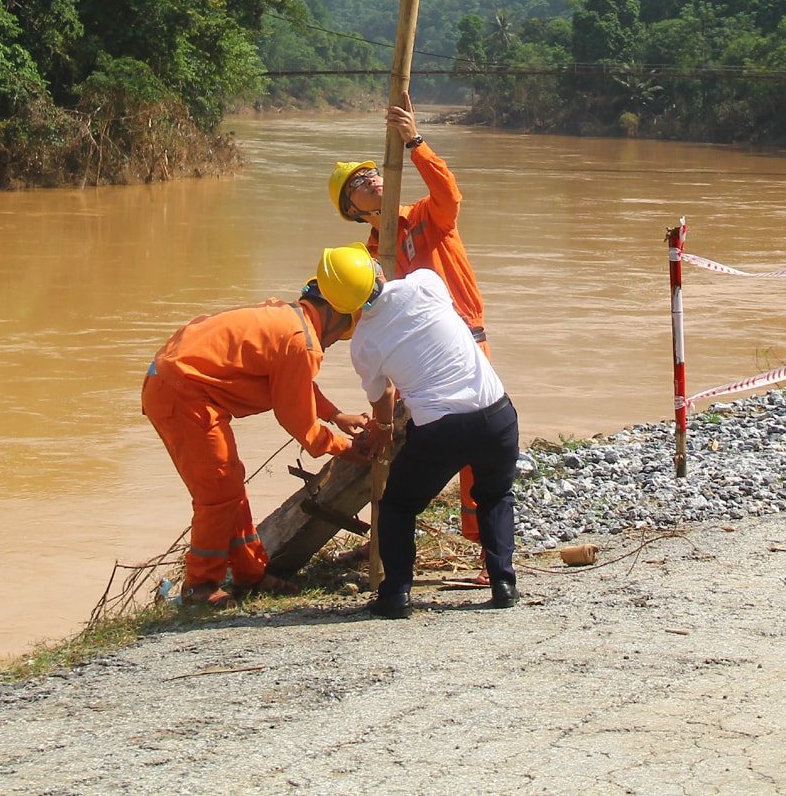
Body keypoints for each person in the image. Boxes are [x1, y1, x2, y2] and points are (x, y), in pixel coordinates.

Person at [314, 244, 519, 619]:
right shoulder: (425, 284)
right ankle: (504, 583)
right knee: (494, 496)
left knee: (398, 505)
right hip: (497, 414)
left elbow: (383, 394)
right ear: (376, 270)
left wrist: (383, 429)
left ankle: (395, 595)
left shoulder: (364, 344)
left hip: (442, 430)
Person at [141, 283, 376, 609]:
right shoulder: (301, 340)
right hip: (183, 393)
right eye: (341, 333)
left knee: (229, 485)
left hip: (177, 383)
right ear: (337, 313)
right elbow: (301, 426)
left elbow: (291, 380)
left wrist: (335, 415)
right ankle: (199, 587)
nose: (335, 341)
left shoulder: (288, 317)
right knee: (218, 494)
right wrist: (345, 447)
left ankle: (250, 573)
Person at [328, 103, 497, 545]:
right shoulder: (366, 260)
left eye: (373, 174)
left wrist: (415, 143)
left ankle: (484, 550)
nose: (373, 180)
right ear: (352, 209)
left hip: (465, 343)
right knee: (411, 450)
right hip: (411, 365)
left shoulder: (426, 215)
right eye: (361, 184)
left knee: (475, 459)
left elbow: (449, 195)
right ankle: (390, 548)